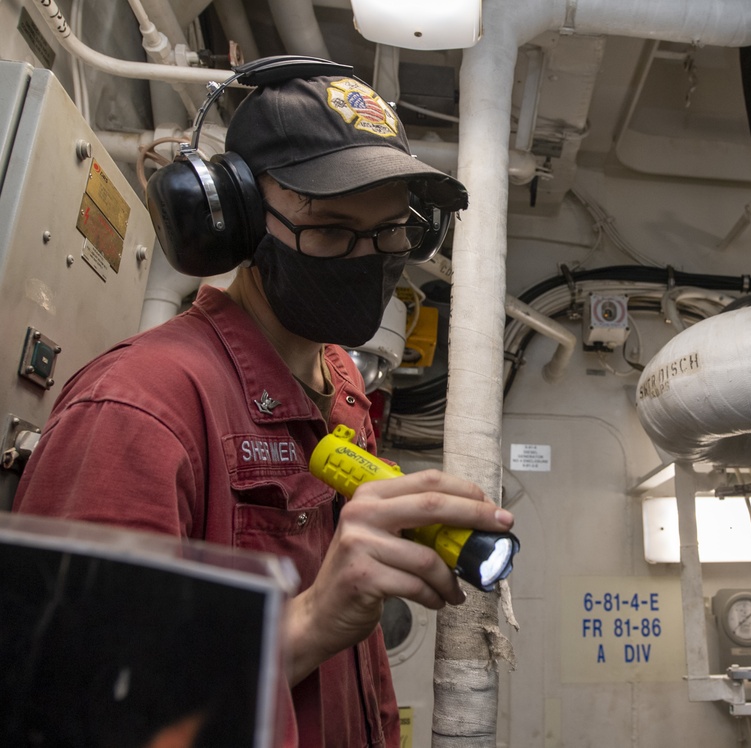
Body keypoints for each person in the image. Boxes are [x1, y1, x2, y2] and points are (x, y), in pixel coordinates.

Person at [11, 71, 514, 747]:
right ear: (235, 220)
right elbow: (78, 710)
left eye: (390, 232)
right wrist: (312, 620)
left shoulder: (341, 386)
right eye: (332, 231)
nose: (367, 259)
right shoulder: (139, 406)